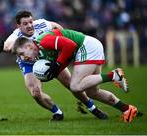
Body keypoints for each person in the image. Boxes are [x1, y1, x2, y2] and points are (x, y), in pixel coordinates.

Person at [0, 11, 108, 121]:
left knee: (72, 85)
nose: (30, 25)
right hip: (28, 63)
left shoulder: (41, 24)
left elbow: (57, 27)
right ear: (18, 26)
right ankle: (57, 112)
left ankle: (92, 108)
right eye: (25, 24)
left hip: (47, 58)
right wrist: (3, 47)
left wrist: (61, 47)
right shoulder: (16, 35)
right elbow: (8, 45)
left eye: (31, 22)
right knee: (35, 93)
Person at [11, 28, 139, 123]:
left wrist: (58, 64)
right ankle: (127, 109)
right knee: (92, 92)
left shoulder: (43, 42)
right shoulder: (39, 52)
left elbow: (70, 45)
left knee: (76, 86)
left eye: (22, 53)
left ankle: (114, 75)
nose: (23, 57)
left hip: (86, 46)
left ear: (28, 46)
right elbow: (65, 51)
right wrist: (56, 68)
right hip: (89, 48)